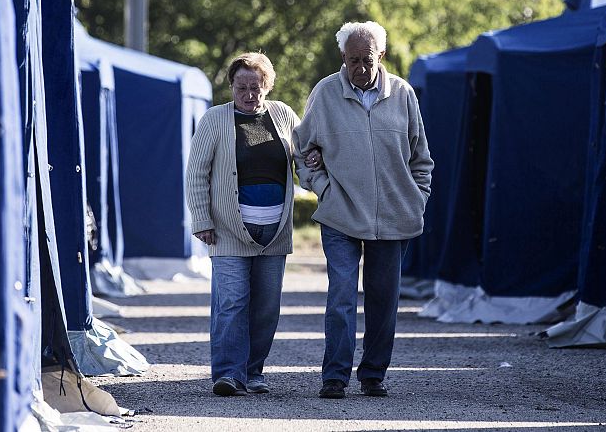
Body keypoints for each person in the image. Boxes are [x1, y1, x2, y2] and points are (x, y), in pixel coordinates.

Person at [293, 21, 434, 399]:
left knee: (383, 300)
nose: (359, 67)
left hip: (394, 215)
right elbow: (302, 151)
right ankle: (335, 376)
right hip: (340, 214)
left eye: (366, 59)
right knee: (341, 296)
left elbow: (421, 158)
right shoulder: (325, 93)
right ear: (343, 57)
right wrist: (322, 188)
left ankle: (373, 374)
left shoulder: (403, 94)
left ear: (381, 56)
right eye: (352, 59)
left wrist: (417, 197)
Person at [185, 52, 320, 397]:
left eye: (255, 87)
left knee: (266, 308)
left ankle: (253, 371)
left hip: (274, 232)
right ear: (231, 86)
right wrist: (202, 219)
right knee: (232, 302)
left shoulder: (283, 115)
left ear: (267, 86)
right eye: (241, 87)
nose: (248, 94)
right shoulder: (214, 120)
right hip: (228, 229)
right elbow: (197, 173)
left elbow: (303, 157)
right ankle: (229, 374)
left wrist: (314, 161)